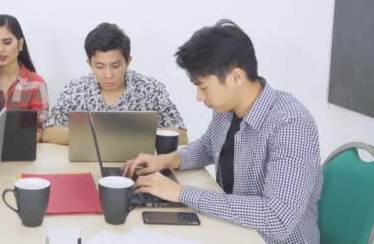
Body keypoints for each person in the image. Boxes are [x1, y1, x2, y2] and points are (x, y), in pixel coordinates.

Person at [123, 20, 322, 243]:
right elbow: (208, 147)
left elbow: (276, 216)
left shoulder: (291, 124)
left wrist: (180, 192)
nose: (199, 97)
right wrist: (166, 161)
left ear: (236, 77)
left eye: (203, 87)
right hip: (233, 230)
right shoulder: (227, 109)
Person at [43, 22, 186, 145]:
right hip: (86, 165)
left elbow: (182, 135)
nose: (108, 74)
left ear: (128, 61)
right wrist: (99, 136)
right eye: (99, 66)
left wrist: (132, 135)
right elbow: (49, 133)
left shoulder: (150, 89)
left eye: (116, 66)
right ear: (89, 63)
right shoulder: (75, 90)